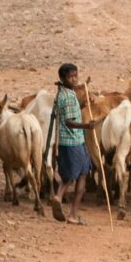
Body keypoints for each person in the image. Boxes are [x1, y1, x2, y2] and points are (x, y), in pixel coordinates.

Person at [50, 62, 96, 224]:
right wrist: (86, 126)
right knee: (71, 175)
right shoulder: (68, 97)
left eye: (76, 76)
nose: (74, 79)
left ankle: (73, 214)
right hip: (72, 141)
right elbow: (69, 121)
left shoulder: (65, 93)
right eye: (70, 77)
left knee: (82, 174)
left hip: (77, 140)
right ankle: (59, 197)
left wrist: (83, 104)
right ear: (63, 78)